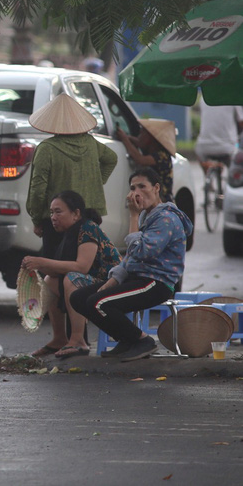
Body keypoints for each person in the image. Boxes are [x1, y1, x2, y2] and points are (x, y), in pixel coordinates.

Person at [70, 167, 190, 361]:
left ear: (156, 188)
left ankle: (142, 341)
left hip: (156, 282)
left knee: (97, 303)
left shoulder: (167, 219)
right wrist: (115, 278)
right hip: (136, 278)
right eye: (133, 187)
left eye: (143, 186)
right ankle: (127, 340)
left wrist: (132, 217)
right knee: (79, 298)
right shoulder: (147, 216)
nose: (137, 193)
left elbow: (142, 253)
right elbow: (130, 258)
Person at [21, 190, 120, 359]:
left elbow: (81, 267)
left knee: (72, 279)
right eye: (51, 212)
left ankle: (78, 340)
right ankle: (60, 339)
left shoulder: (88, 228)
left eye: (58, 212)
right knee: (50, 281)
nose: (53, 217)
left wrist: (42, 262)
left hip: (112, 285)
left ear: (76, 214)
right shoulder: (67, 233)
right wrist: (33, 266)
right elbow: (56, 270)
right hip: (90, 284)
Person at [26, 94, 118, 259]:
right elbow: (112, 159)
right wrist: (96, 181)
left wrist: (37, 218)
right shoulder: (91, 143)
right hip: (88, 216)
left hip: (57, 220)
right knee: (83, 268)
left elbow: (38, 188)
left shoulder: (47, 149)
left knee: (54, 270)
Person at [116, 118, 175, 202]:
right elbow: (140, 142)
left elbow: (140, 159)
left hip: (161, 201)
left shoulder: (162, 156)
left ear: (151, 138)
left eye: (142, 133)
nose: (139, 136)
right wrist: (128, 137)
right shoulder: (156, 152)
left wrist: (125, 139)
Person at [193, 96, 243, 165]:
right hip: (229, 147)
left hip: (203, 146)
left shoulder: (204, 98)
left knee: (200, 156)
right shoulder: (233, 98)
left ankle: (207, 173)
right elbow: (241, 121)